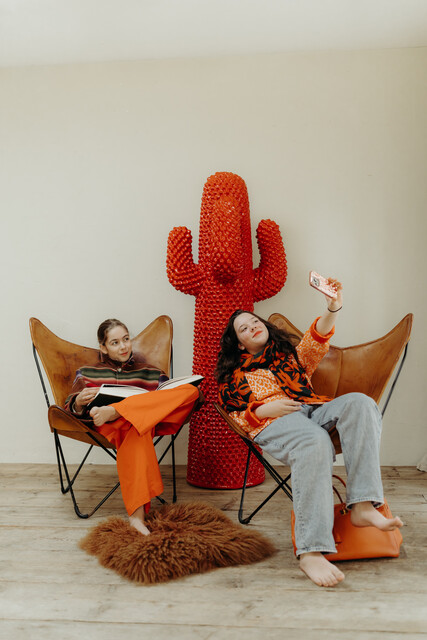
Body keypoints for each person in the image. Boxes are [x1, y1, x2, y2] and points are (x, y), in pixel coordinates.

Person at [215, 280, 403, 587]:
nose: (252, 327)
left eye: (254, 322)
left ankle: (364, 506)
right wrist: (265, 411)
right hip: (273, 423)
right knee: (313, 440)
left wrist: (334, 305)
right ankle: (311, 552)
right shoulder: (237, 375)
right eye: (244, 329)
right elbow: (234, 412)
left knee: (361, 403)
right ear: (239, 344)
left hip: (311, 409)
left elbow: (317, 339)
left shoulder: (289, 357)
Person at [65, 318, 200, 536]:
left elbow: (167, 399)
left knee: (191, 392)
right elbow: (69, 406)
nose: (124, 346)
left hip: (150, 418)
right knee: (136, 429)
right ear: (103, 347)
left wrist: (127, 408)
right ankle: (137, 518)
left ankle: (120, 409)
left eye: (126, 339)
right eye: (115, 342)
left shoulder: (150, 371)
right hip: (112, 426)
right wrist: (79, 401)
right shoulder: (87, 373)